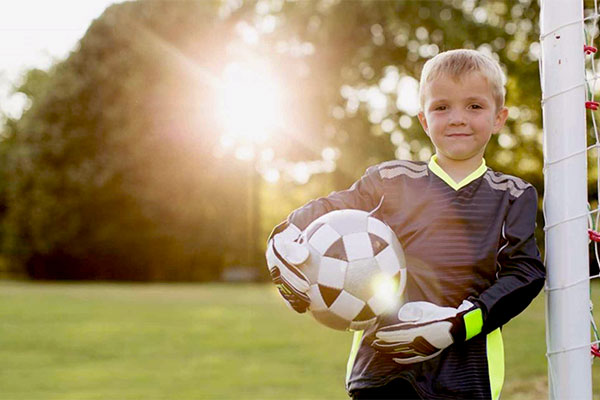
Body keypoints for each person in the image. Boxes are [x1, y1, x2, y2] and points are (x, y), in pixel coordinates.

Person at [265, 49, 546, 400]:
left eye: (474, 106)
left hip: (466, 375)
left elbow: (525, 273)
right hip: (383, 369)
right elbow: (330, 210)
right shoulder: (390, 180)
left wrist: (457, 323)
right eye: (442, 107)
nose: (457, 118)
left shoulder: (514, 195)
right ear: (425, 120)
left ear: (499, 118)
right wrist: (285, 233)